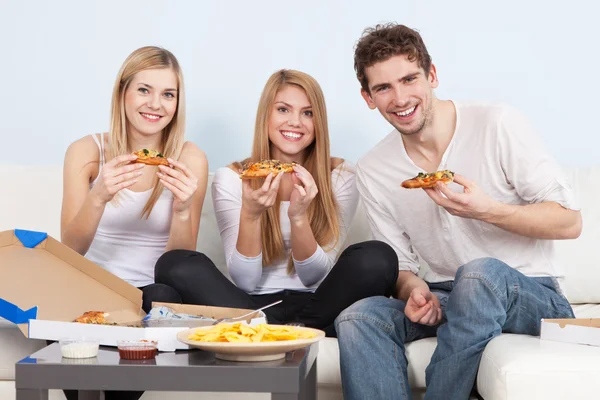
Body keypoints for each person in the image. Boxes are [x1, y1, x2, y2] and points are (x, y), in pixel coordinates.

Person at [334, 23, 582, 400]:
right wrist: (416, 291)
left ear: (431, 76)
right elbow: (400, 266)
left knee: (478, 274)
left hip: (530, 293)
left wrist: (488, 211)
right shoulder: (374, 167)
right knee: (358, 317)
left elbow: (570, 221)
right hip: (446, 294)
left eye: (409, 79)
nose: (400, 98)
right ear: (368, 97)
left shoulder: (496, 123)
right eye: (384, 88)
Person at [148, 69, 399, 337]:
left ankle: (291, 331)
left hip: (322, 304)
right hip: (251, 308)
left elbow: (313, 276)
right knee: (173, 264)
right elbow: (246, 280)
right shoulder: (232, 178)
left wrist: (299, 217)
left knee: (377, 257)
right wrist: (252, 215)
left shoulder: (340, 176)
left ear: (318, 122)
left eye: (308, 113)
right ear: (266, 115)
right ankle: (269, 330)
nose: (295, 122)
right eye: (283, 110)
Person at [60, 46, 208, 400]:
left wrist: (184, 209)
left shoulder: (189, 159)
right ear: (122, 92)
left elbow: (180, 264)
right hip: (90, 292)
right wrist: (99, 197)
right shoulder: (86, 151)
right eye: (144, 90)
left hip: (152, 296)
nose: (155, 104)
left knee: (161, 298)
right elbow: (69, 250)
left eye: (168, 94)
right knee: (74, 318)